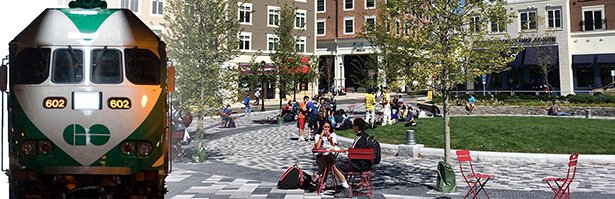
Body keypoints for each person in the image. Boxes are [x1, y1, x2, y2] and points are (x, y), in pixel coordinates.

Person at [334, 118, 375, 198]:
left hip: (358, 165)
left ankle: (345, 187)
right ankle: (345, 183)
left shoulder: (359, 138)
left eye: (353, 125)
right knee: (343, 163)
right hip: (368, 165)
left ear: (356, 127)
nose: (352, 127)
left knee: (335, 165)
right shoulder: (367, 138)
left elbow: (351, 155)